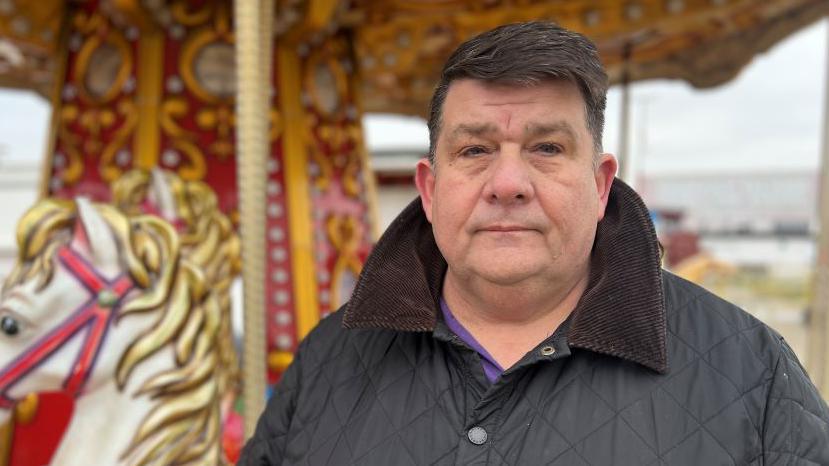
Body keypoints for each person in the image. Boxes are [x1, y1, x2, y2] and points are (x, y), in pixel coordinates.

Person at [240, 22, 829, 465]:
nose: (507, 185)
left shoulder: (750, 373)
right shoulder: (329, 360)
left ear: (600, 186)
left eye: (547, 148)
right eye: (475, 150)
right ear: (429, 187)